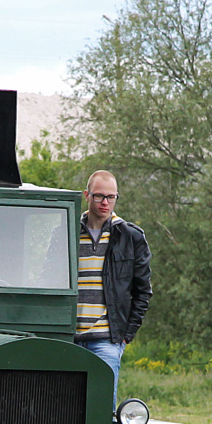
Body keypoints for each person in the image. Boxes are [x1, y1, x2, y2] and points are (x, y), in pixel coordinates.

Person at [69, 170, 152, 404]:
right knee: (65, 403)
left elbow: (143, 290)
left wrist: (126, 335)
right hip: (69, 338)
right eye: (99, 196)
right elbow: (49, 277)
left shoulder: (130, 236)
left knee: (101, 408)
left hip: (107, 340)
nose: (105, 202)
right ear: (87, 195)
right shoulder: (68, 231)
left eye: (111, 197)